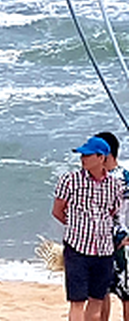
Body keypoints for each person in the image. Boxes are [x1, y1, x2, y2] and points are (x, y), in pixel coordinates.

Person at [54, 135, 121, 321]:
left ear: (101, 157)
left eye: (87, 155)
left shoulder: (114, 185)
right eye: (82, 155)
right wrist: (76, 227)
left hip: (104, 251)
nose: (83, 158)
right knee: (77, 302)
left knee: (97, 302)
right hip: (77, 249)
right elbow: (58, 211)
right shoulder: (70, 180)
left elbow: (113, 212)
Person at [94, 132, 129, 321]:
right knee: (101, 294)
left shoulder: (124, 178)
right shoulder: (93, 179)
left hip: (121, 242)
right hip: (98, 243)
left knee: (126, 295)